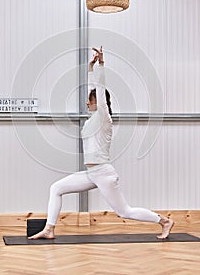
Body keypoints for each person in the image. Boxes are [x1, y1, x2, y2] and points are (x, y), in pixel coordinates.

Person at [29, 46, 174, 240]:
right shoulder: (92, 120)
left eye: (89, 100)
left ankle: (164, 221)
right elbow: (94, 91)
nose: (86, 102)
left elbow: (99, 91)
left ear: (98, 102)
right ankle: (49, 229)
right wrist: (90, 67)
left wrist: (102, 65)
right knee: (56, 188)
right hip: (91, 173)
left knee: (125, 212)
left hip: (104, 174)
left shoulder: (104, 118)